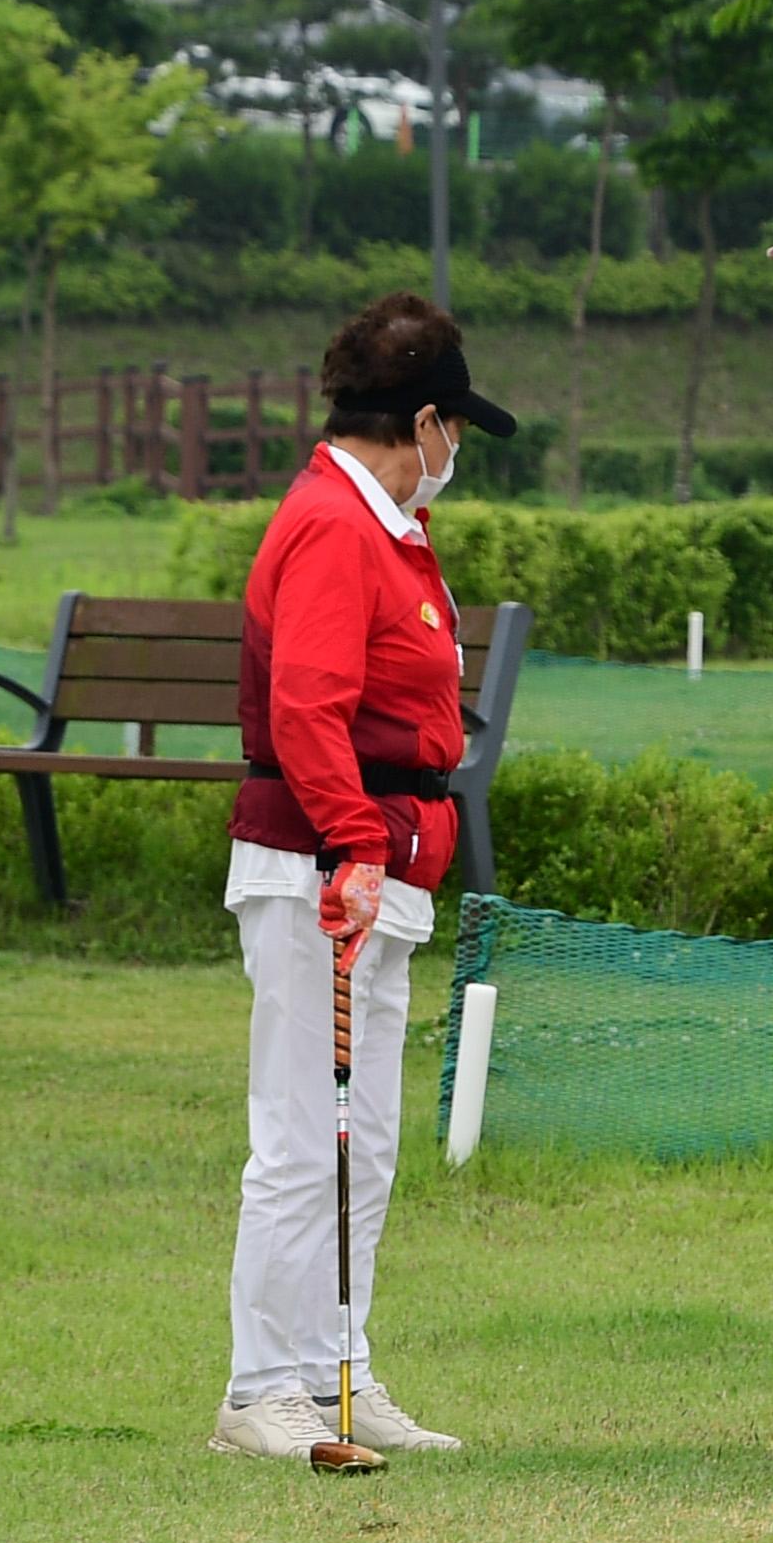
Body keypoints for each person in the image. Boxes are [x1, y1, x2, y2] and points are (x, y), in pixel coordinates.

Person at [210, 293, 515, 1462]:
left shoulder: (386, 521)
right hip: (319, 866)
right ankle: (261, 1388)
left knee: (365, 1137)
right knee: (302, 1133)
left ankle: (339, 1367)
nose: (453, 458)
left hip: (375, 859)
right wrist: (350, 846)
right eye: (454, 435)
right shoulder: (337, 522)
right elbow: (307, 705)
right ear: (424, 420)